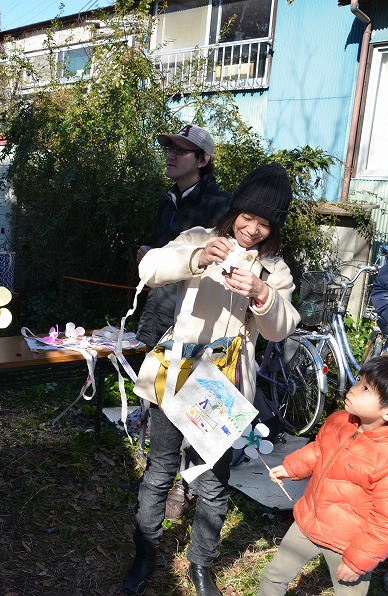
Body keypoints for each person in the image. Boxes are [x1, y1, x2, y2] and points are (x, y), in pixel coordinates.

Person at [125, 163, 301, 596]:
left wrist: (262, 295)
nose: (253, 230)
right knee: (161, 468)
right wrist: (198, 258)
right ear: (236, 209)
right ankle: (145, 552)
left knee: (213, 479)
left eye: (265, 223)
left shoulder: (273, 269)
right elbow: (149, 266)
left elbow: (284, 326)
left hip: (223, 386)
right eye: (248, 217)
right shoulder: (202, 238)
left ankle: (201, 564)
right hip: (177, 371)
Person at [136, 124, 232, 521]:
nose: (171, 154)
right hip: (159, 309)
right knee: (158, 395)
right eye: (169, 148)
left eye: (182, 149)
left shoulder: (221, 205)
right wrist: (152, 256)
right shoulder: (168, 199)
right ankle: (158, 471)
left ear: (204, 160)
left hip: (196, 323)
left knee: (195, 404)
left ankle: (185, 485)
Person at [259, 355, 388, 595]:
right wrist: (291, 467)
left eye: (367, 388)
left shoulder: (384, 459)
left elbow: (384, 522)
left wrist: (357, 560)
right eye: (359, 380)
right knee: (273, 577)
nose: (354, 388)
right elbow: (319, 450)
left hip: (347, 544)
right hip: (308, 521)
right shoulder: (340, 421)